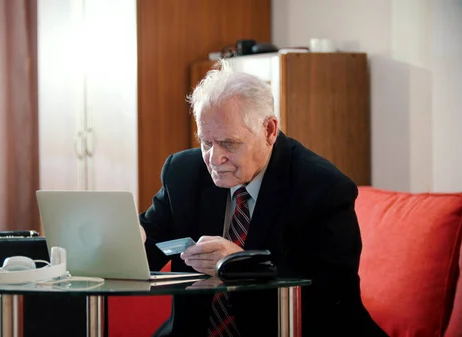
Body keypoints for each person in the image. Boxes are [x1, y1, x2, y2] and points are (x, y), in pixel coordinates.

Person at [137, 59, 387, 337]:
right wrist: (123, 239)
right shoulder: (183, 173)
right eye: (206, 142)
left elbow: (330, 294)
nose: (214, 158)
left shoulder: (323, 188)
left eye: (229, 144)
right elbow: (148, 249)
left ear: (269, 130)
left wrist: (243, 264)